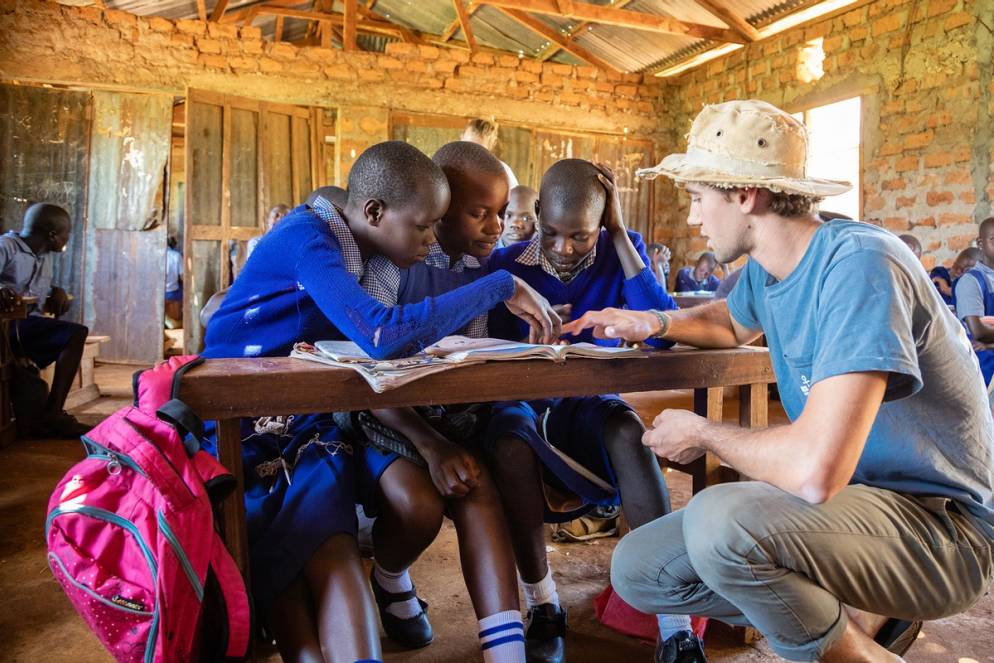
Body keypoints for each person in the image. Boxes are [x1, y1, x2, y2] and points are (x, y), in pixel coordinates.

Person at [564, 99, 994, 663]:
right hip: (854, 507)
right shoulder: (768, 271)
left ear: (745, 195)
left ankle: (863, 649)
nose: (694, 219)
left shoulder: (861, 263)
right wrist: (654, 321)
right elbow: (729, 321)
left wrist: (704, 431)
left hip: (939, 529)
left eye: (698, 200)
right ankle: (857, 628)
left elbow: (815, 472)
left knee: (723, 521)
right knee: (640, 569)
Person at [201, 141, 560, 663]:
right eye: (423, 227)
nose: (431, 239)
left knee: (331, 545)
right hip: (240, 429)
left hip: (304, 422)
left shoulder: (368, 253)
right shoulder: (310, 239)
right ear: (373, 212)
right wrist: (500, 284)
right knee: (287, 562)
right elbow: (382, 337)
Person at [484, 159, 680, 663]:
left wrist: (618, 235)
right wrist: (518, 334)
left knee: (627, 430)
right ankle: (543, 602)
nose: (564, 248)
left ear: (603, 224)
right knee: (508, 442)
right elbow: (473, 345)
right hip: (522, 406)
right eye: (551, 232)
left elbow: (662, 334)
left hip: (585, 406)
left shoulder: (622, 251)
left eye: (581, 236)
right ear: (538, 211)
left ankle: (675, 625)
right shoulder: (505, 266)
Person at [349, 141, 527, 660]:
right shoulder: (388, 265)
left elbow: (460, 360)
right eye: (480, 213)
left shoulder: (476, 270)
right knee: (420, 506)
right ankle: (389, 574)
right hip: (387, 417)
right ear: (440, 209)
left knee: (475, 484)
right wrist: (430, 447)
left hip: (449, 416)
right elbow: (369, 372)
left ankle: (507, 652)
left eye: (500, 213)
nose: (496, 227)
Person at [0, 203, 89, 439]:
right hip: (6, 328)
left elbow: (37, 289)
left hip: (26, 327)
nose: (66, 239)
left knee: (73, 333)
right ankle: (53, 413)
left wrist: (55, 290)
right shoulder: (6, 247)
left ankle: (50, 413)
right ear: (52, 235)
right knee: (76, 333)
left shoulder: (44, 257)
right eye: (65, 234)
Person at [955, 219, 994, 387]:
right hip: (986, 374)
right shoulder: (971, 281)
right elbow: (979, 332)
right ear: (980, 243)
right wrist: (986, 336)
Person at [462, 117, 519, 191]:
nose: (471, 154)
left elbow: (516, 197)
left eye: (479, 150)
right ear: (462, 138)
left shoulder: (503, 172)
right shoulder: (451, 164)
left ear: (491, 145)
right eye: (467, 146)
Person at [164, 235, 183, 325]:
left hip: (158, 293)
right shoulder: (176, 255)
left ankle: (167, 320)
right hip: (172, 293)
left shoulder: (154, 254)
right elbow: (183, 276)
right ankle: (176, 320)